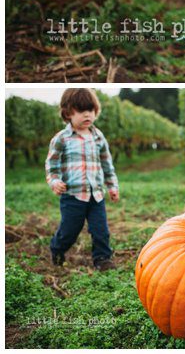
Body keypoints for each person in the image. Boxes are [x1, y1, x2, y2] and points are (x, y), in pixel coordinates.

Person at [46, 87, 119, 270]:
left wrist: (112, 186)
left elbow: (107, 164)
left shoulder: (98, 137)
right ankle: (57, 248)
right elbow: (52, 165)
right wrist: (54, 181)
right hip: (73, 196)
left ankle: (102, 259)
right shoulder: (61, 139)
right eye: (81, 110)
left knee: (100, 230)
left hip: (96, 196)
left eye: (91, 110)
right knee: (69, 231)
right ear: (68, 113)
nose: (87, 115)